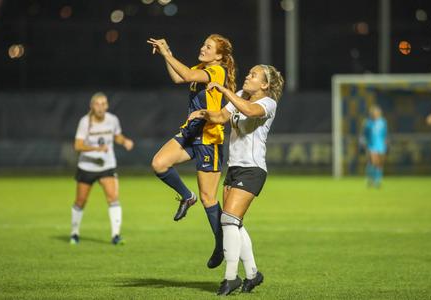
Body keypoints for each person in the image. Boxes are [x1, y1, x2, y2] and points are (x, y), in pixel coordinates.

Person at [188, 64, 284, 295]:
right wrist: (203, 113)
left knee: (229, 220)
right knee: (234, 223)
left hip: (252, 169)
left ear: (264, 85)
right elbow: (221, 117)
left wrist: (223, 90)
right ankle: (252, 274)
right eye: (248, 72)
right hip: (234, 168)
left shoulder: (268, 103)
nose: (248, 76)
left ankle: (230, 278)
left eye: (254, 75)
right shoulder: (241, 95)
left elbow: (250, 111)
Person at [147, 34, 237, 268]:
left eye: (209, 47)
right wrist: (166, 55)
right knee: (159, 163)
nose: (203, 48)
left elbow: (186, 74)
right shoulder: (201, 67)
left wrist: (168, 53)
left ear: (219, 55)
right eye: (203, 44)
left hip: (209, 138)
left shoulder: (217, 71)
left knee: (209, 199)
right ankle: (187, 197)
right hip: (191, 133)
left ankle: (221, 244)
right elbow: (180, 77)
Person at [70, 92, 134, 245]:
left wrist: (124, 141)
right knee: (80, 201)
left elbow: (116, 136)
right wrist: (96, 150)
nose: (100, 107)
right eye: (97, 104)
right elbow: (77, 146)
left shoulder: (112, 120)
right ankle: (74, 233)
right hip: (87, 166)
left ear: (107, 106)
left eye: (103, 103)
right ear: (92, 106)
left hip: (107, 165)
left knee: (113, 198)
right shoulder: (85, 122)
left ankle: (115, 236)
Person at [360, 105, 388, 188]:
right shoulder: (368, 123)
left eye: (377, 112)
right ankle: (372, 180)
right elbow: (364, 134)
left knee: (379, 163)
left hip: (381, 145)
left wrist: (385, 143)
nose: (375, 114)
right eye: (374, 113)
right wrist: (363, 143)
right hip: (371, 145)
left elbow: (385, 134)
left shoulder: (383, 122)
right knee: (374, 161)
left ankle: (377, 180)